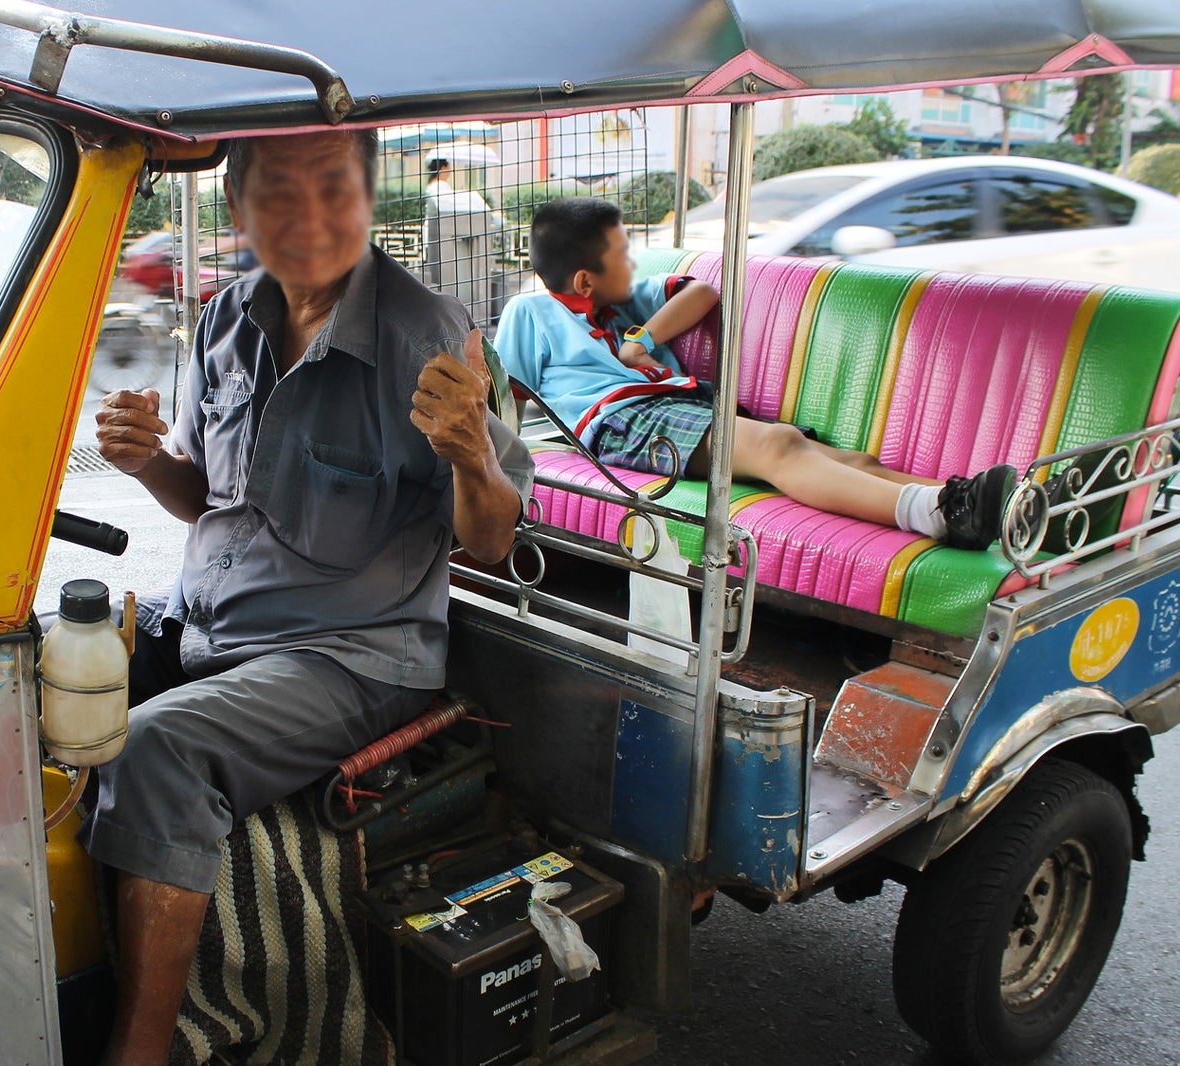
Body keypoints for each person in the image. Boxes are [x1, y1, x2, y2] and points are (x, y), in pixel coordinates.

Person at [86, 128, 533, 1065]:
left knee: (159, 747)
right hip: (209, 624)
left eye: (336, 190)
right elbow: (205, 496)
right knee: (24, 676)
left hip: (351, 655)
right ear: (242, 209)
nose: (312, 219)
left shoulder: (425, 334)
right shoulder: (227, 317)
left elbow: (491, 541)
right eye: (279, 194)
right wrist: (142, 462)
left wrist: (471, 453)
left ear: (370, 199)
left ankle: (142, 1049)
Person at [494, 196, 1021, 550]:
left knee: (847, 457)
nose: (636, 267)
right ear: (586, 280)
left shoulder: (626, 306)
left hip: (683, 403)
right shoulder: (531, 312)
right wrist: (510, 470)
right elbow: (505, 396)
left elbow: (701, 291)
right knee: (778, 447)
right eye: (625, 257)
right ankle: (933, 512)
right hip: (622, 419)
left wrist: (641, 340)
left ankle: (986, 508)